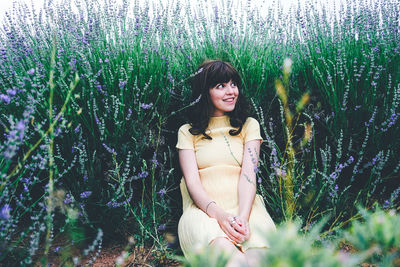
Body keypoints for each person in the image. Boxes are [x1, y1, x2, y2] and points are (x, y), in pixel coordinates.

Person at [176, 59, 276, 267]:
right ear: (205, 92)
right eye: (220, 86)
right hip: (203, 214)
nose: (231, 91)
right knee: (233, 263)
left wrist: (242, 219)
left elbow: (249, 177)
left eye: (233, 84)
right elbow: (192, 184)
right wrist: (220, 216)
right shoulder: (187, 132)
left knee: (259, 262)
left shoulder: (249, 126)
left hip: (247, 209)